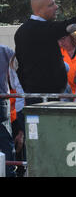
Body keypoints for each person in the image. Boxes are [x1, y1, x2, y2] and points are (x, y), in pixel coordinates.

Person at [8, 54, 26, 176]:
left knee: (21, 142)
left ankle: (20, 169)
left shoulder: (13, 59)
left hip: (16, 112)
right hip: (15, 113)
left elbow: (14, 85)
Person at [0, 44, 16, 177]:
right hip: (2, 99)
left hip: (3, 99)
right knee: (5, 137)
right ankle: (10, 171)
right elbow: (16, 72)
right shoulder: (6, 51)